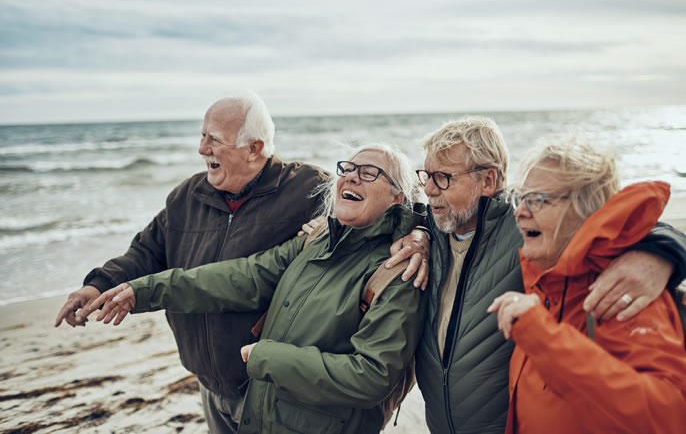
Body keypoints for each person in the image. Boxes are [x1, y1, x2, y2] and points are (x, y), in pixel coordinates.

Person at [82, 144, 427, 434]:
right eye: (348, 168)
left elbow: (372, 376)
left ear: (398, 196)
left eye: (369, 173)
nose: (351, 176)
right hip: (264, 417)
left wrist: (269, 358)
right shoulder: (315, 241)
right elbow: (239, 277)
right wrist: (142, 290)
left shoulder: (400, 267)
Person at [54, 91, 330, 433]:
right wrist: (97, 286)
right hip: (209, 382)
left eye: (213, 139)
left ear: (254, 149)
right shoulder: (188, 195)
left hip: (275, 387)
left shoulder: (310, 188)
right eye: (202, 136)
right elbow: (146, 252)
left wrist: (416, 235)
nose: (202, 149)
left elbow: (378, 213)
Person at [412, 117, 686, 434]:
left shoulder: (604, 289)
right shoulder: (436, 226)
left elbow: (618, 219)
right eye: (426, 176)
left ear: (488, 181)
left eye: (443, 177)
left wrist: (659, 253)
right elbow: (393, 212)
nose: (429, 189)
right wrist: (417, 235)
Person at [488, 142, 686, 433]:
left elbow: (667, 416)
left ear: (587, 211)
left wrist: (542, 337)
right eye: (521, 199)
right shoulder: (544, 287)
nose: (520, 213)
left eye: (539, 199)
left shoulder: (622, 293)